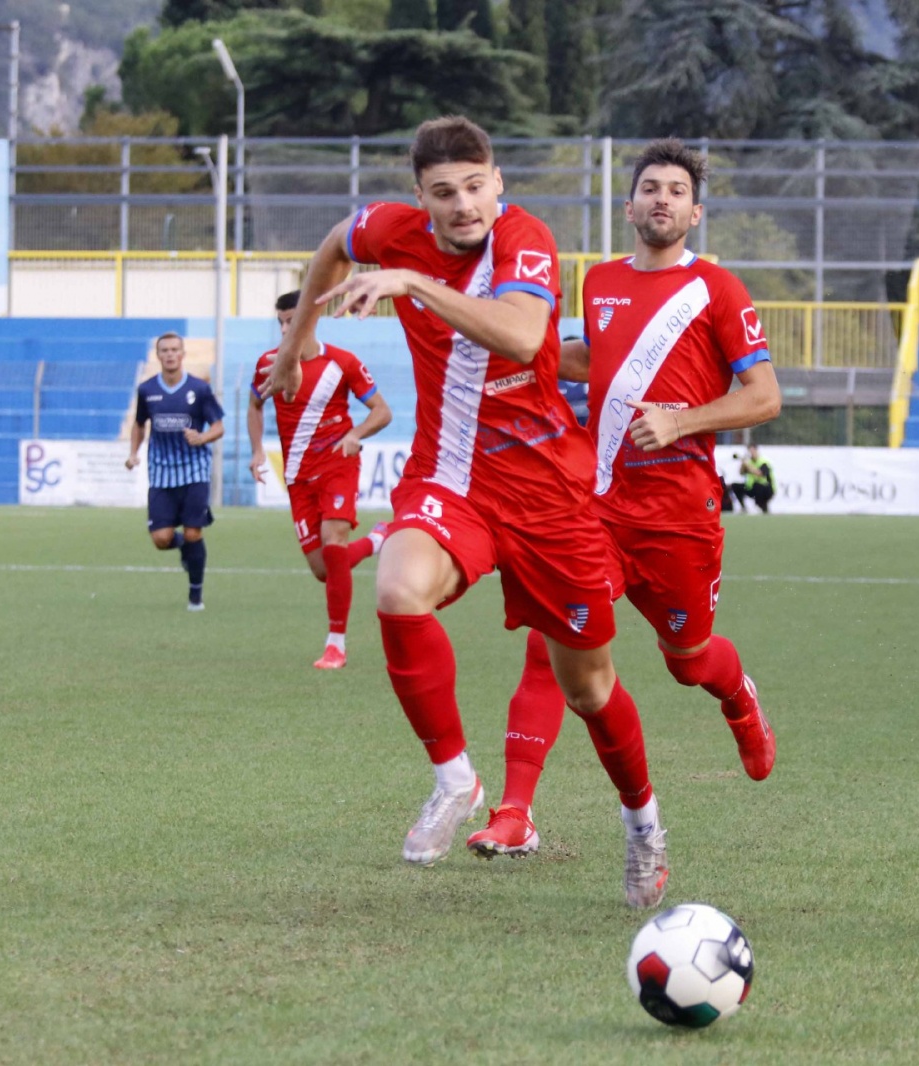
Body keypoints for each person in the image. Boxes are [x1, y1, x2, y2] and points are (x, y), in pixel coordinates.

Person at [262, 116, 669, 907]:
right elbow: (335, 243)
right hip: (451, 478)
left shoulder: (524, 239)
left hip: (549, 495)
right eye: (443, 192)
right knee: (396, 589)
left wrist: (413, 284)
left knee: (588, 689)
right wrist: (294, 342)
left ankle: (643, 822)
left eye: (475, 186)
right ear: (419, 197)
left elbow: (520, 336)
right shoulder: (393, 229)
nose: (463, 205)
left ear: (498, 182)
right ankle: (455, 779)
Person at [469, 138, 782, 863]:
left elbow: (765, 396)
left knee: (688, 660)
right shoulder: (601, 281)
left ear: (695, 213)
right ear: (629, 205)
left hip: (679, 516)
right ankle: (514, 813)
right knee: (549, 647)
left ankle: (740, 699)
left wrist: (681, 420)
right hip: (595, 505)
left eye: (677, 190)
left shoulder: (718, 290)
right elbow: (595, 357)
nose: (662, 198)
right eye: (650, 188)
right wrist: (522, 348)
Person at [248, 290, 393, 669]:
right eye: (280, 322)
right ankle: (377, 540)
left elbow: (382, 411)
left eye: (291, 321)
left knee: (334, 541)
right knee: (324, 569)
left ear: (310, 319)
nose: (285, 329)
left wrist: (356, 434)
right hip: (297, 476)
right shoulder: (269, 364)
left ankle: (336, 645)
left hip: (337, 465)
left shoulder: (343, 362)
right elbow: (255, 404)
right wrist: (257, 450)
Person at [127, 332, 225, 611]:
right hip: (161, 473)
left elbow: (218, 427)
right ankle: (185, 548)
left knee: (194, 533)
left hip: (195, 471)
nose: (170, 354)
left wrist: (202, 438)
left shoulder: (199, 389)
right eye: (165, 350)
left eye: (174, 350)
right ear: (158, 355)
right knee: (161, 539)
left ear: (182, 354)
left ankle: (195, 596)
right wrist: (133, 453)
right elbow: (139, 424)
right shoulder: (147, 390)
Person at [730, 444, 775, 513]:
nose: (751, 453)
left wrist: (747, 465)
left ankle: (760, 506)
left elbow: (759, 474)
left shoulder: (763, 462)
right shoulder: (749, 461)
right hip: (752, 487)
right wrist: (743, 464)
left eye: (752, 451)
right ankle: (743, 507)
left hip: (767, 488)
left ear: (756, 451)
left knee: (757, 486)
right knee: (735, 486)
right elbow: (741, 473)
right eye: (750, 451)